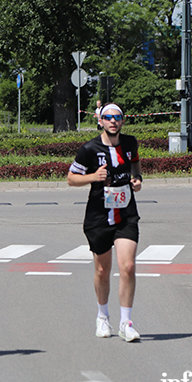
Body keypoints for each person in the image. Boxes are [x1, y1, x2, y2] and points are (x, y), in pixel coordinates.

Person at [67, 103, 143, 342]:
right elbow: (71, 178)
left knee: (128, 266)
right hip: (99, 216)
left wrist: (137, 179)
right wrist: (93, 177)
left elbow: (135, 164)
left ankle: (126, 323)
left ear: (122, 121)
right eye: (108, 118)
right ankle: (102, 317)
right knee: (102, 270)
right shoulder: (89, 149)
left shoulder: (130, 143)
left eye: (117, 118)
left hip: (126, 213)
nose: (113, 122)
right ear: (100, 121)